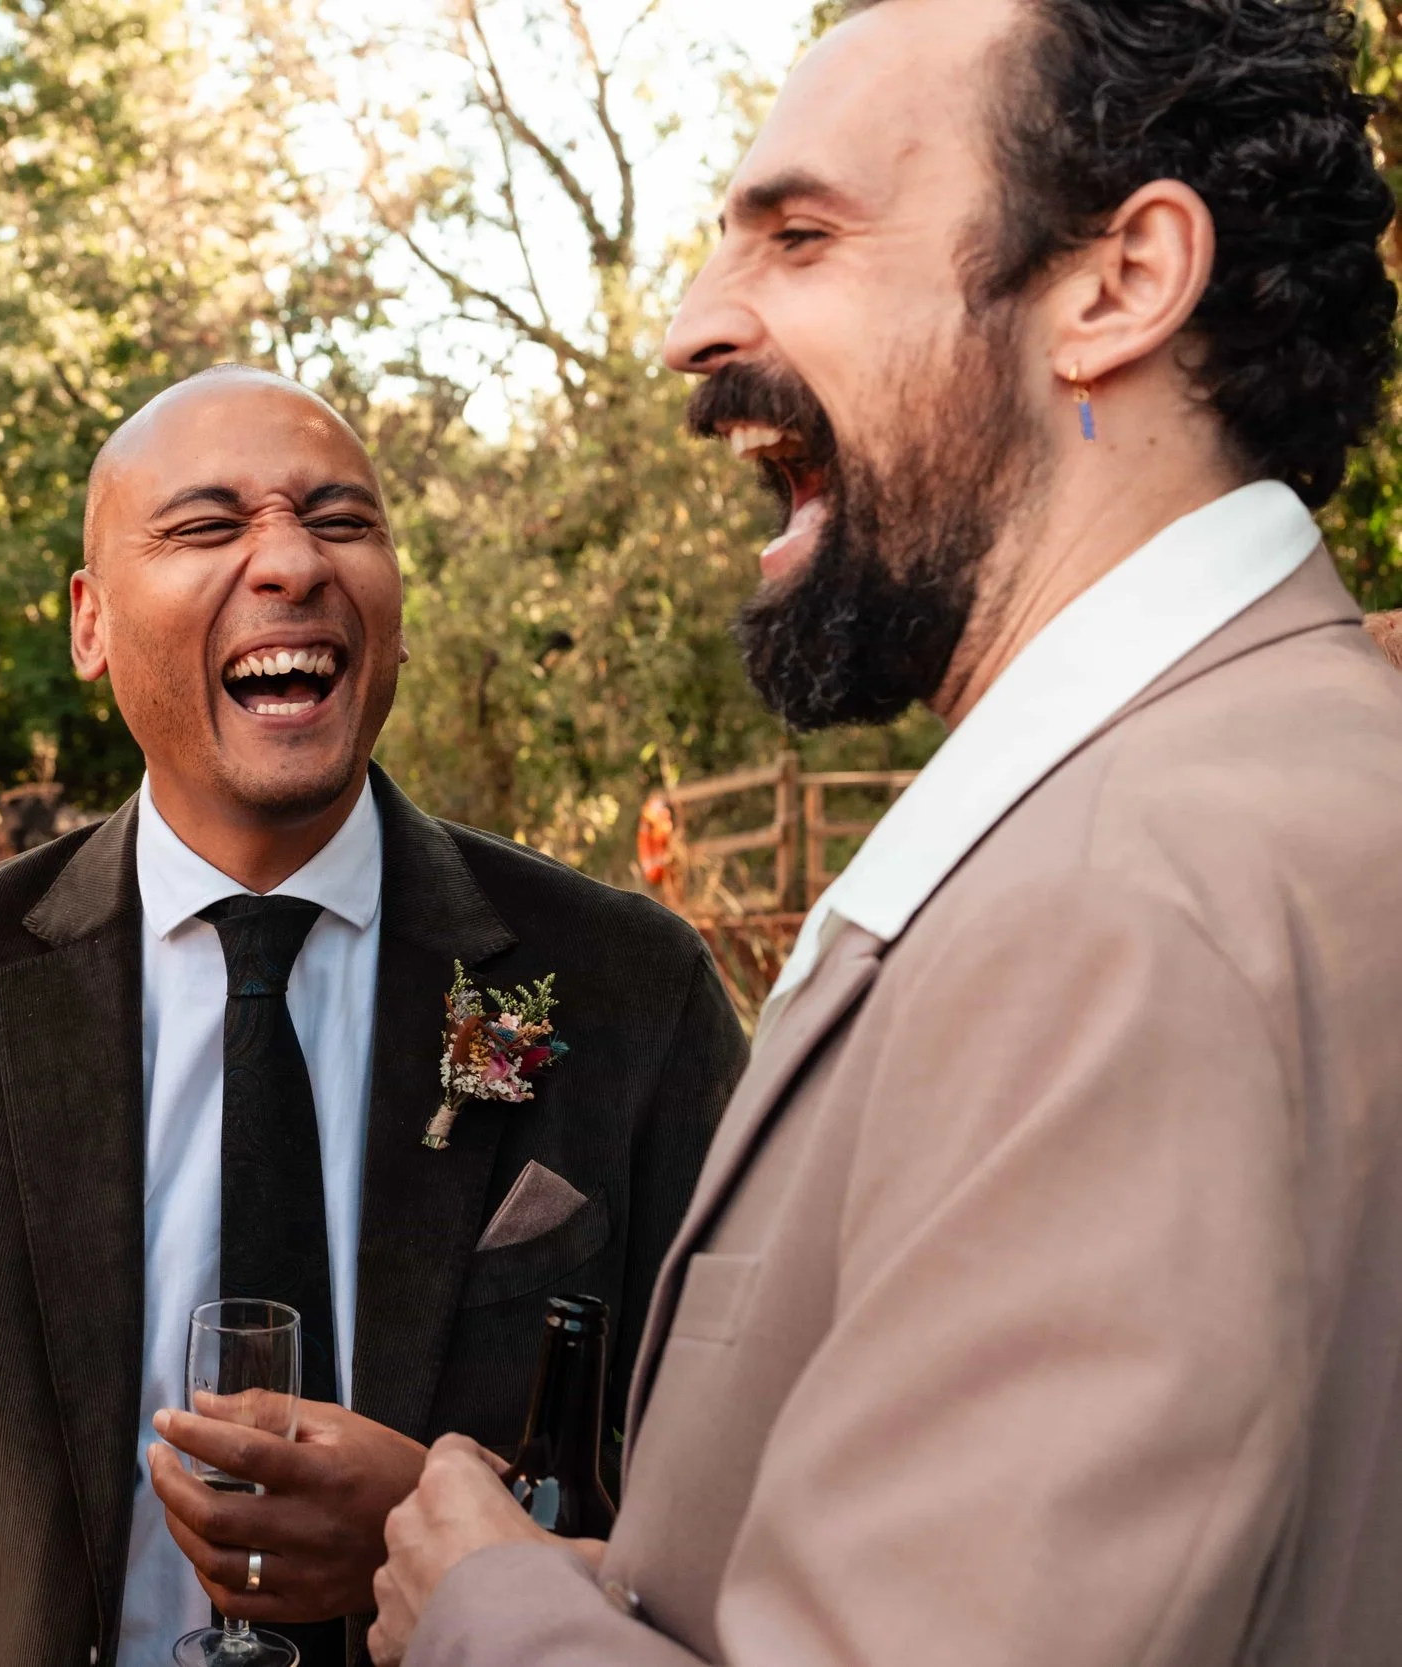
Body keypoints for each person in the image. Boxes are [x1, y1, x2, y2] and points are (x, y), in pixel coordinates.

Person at [367, 1, 1402, 1664]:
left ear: (1119, 284)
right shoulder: (1284, 786)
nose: (695, 328)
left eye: (802, 233)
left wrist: (484, 1607)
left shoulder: (1124, 909)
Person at [0, 365, 748, 1667]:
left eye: (341, 520)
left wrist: (450, 1539)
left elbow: (758, 1502)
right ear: (90, 624)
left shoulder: (627, 988)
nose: (290, 560)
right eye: (209, 526)